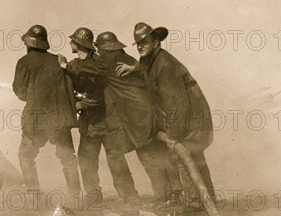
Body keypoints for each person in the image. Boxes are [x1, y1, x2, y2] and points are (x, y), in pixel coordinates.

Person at [60, 31, 182, 202]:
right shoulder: (118, 59)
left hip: (120, 120)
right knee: (91, 161)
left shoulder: (103, 62)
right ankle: (99, 197)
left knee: (125, 159)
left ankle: (139, 197)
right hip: (104, 121)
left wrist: (67, 70)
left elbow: (92, 81)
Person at [116, 22, 216, 202]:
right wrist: (134, 69)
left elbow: (176, 105)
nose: (140, 46)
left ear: (156, 42)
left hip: (192, 121)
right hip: (193, 119)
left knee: (183, 155)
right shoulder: (152, 61)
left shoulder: (166, 66)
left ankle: (195, 204)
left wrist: (173, 136)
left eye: (145, 42)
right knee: (194, 157)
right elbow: (147, 71)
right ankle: (208, 198)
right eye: (138, 43)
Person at [63, 27, 139, 204]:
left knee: (115, 160)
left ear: (79, 44)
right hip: (89, 123)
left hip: (107, 121)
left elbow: (99, 97)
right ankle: (94, 197)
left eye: (73, 40)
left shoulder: (99, 63)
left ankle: (129, 197)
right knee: (86, 161)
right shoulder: (74, 65)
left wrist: (80, 103)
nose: (70, 43)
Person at [13, 25, 81, 195]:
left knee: (26, 156)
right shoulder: (58, 60)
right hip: (59, 118)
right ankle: (75, 195)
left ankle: (34, 194)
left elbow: (20, 92)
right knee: (68, 159)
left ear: (29, 42)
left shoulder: (24, 62)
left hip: (36, 119)